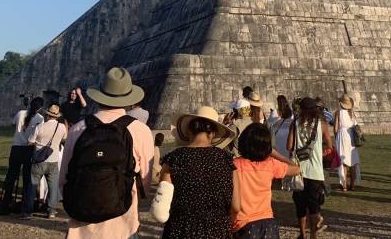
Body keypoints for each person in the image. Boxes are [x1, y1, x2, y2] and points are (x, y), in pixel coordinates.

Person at [60, 66, 154, 238]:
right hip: (123, 222)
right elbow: (146, 183)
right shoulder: (140, 130)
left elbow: (64, 178)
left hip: (81, 224)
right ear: (128, 97)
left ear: (99, 95)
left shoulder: (78, 129)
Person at [159, 105, 238, 238]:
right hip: (218, 229)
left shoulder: (174, 158)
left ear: (189, 131)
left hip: (180, 228)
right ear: (212, 133)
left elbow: (162, 203)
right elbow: (236, 207)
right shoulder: (227, 160)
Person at [233, 122, 300, 238]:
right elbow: (296, 169)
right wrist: (275, 154)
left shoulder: (235, 165)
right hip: (268, 223)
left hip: (243, 224)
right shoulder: (270, 165)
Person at [286, 97, 332, 239]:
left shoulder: (295, 124)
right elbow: (329, 146)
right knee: (314, 206)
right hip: (316, 171)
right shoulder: (322, 124)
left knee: (300, 205)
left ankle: (302, 233)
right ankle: (313, 234)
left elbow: (289, 146)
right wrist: (322, 151)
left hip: (298, 170)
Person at [0, 96, 43, 214]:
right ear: (40, 108)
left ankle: (5, 205)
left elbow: (13, 124)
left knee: (11, 177)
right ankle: (25, 207)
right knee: (27, 179)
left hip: (16, 147)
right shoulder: (40, 118)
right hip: (28, 148)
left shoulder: (21, 113)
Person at [27, 103, 66, 219]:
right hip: (53, 159)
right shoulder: (62, 127)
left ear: (47, 115)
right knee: (53, 186)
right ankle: (51, 211)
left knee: (33, 185)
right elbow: (64, 138)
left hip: (39, 160)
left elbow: (30, 141)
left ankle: (28, 211)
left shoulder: (40, 126)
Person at [333, 95, 360, 192]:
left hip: (342, 135)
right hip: (351, 136)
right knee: (352, 161)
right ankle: (352, 184)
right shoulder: (352, 113)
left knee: (343, 161)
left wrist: (336, 138)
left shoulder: (338, 113)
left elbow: (335, 128)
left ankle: (344, 185)